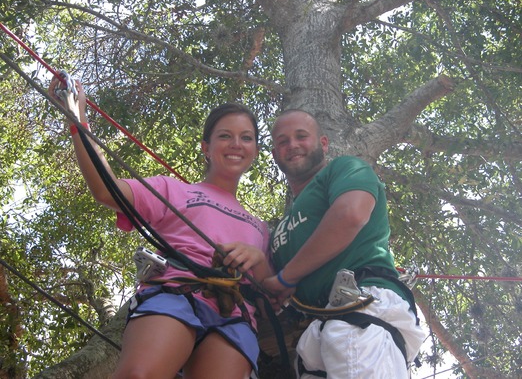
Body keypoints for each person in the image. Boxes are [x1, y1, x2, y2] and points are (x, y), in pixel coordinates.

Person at [48, 75, 273, 379]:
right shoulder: (173, 190)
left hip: (233, 314)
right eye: (225, 136)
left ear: (255, 151)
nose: (236, 144)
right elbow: (106, 189)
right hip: (176, 294)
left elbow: (272, 287)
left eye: (246, 138)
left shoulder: (260, 228)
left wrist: (257, 258)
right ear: (206, 148)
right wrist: (77, 118)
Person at [262, 109, 426, 378]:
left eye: (301, 136)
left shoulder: (345, 168)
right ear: (275, 154)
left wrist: (285, 278)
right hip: (313, 338)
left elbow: (350, 215)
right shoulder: (280, 228)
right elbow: (273, 290)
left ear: (323, 144)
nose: (292, 145)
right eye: (282, 141)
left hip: (361, 308)